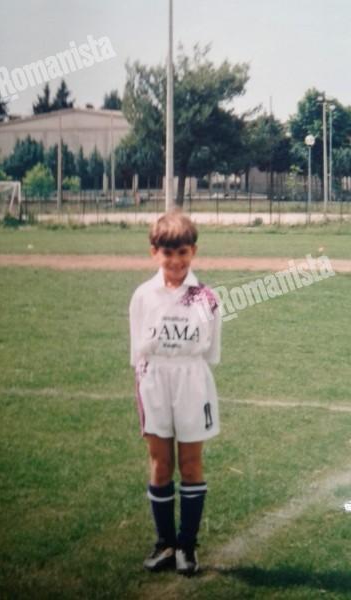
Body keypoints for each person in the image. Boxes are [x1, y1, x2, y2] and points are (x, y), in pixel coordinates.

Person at [129, 211, 221, 576]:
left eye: (183, 252)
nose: (176, 261)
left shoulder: (206, 297)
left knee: (191, 463)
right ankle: (165, 543)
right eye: (168, 253)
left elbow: (212, 351)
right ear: (154, 253)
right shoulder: (143, 296)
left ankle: (188, 545)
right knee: (161, 463)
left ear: (193, 251)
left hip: (192, 380)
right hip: (154, 380)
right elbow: (137, 348)